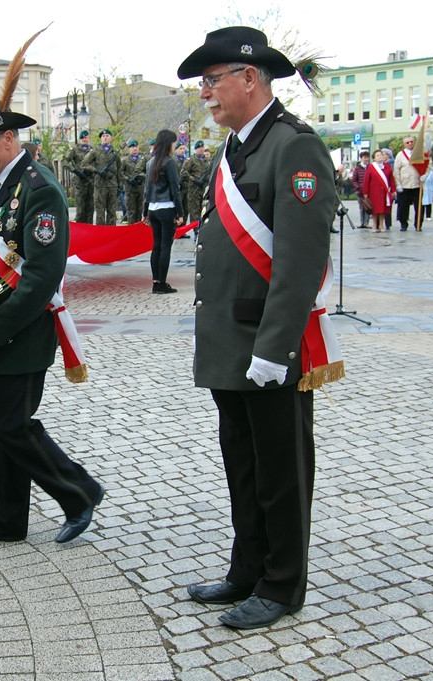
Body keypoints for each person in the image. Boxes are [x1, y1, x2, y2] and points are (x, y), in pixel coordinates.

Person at [178, 26, 342, 630]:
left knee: (281, 472)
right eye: (203, 84)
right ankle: (245, 570)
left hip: (269, 347)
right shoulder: (237, 146)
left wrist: (275, 349)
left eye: (212, 80)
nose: (206, 94)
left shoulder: (292, 146)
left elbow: (299, 263)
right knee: (243, 467)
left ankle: (281, 585)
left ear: (250, 78)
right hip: (229, 343)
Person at [0, 97, 103, 549]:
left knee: (13, 425)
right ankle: (5, 517)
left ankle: (80, 492)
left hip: (23, 326)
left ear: (9, 137)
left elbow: (40, 276)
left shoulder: (40, 189)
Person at [143, 129, 184, 294]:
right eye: (174, 142)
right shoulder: (169, 162)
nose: (174, 145)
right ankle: (162, 283)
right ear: (169, 143)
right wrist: (180, 213)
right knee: (166, 246)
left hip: (153, 208)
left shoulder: (150, 163)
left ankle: (155, 282)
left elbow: (147, 189)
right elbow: (175, 188)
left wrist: (145, 212)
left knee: (156, 246)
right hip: (166, 208)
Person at [84, 129, 122, 225]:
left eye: (107, 135)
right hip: (100, 185)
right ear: (101, 138)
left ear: (111, 138)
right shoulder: (95, 151)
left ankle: (112, 234)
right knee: (100, 213)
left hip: (112, 185)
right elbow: (84, 163)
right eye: (103, 136)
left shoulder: (115, 153)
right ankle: (101, 235)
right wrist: (96, 170)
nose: (105, 137)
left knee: (112, 212)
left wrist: (120, 185)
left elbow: (119, 170)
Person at [64, 130, 93, 224]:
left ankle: (90, 231)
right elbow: (65, 161)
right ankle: (81, 231)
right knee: (80, 209)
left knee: (90, 209)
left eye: (86, 137)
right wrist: (75, 171)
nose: (84, 139)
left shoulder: (93, 150)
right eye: (82, 138)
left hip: (91, 181)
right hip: (80, 182)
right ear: (80, 139)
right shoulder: (75, 149)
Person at [393, 136, 422, 231]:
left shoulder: (419, 153)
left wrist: (425, 175)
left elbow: (426, 165)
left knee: (419, 206)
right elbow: (396, 170)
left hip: (417, 183)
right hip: (404, 184)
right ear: (404, 144)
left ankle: (418, 224)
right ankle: (403, 224)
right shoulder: (400, 155)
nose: (410, 144)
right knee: (403, 206)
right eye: (407, 142)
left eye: (411, 142)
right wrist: (398, 184)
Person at [363, 149, 396, 232]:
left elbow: (391, 179)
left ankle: (382, 225)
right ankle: (374, 225)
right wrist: (365, 192)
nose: (380, 157)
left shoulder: (387, 166)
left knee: (383, 209)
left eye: (381, 155)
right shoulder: (371, 167)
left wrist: (393, 190)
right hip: (374, 192)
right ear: (374, 158)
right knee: (374, 209)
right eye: (378, 155)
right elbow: (366, 180)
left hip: (384, 191)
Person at [181, 140, 211, 224]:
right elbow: (183, 172)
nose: (201, 149)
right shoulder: (191, 160)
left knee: (204, 210)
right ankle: (195, 230)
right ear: (195, 149)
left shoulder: (207, 161)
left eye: (202, 147)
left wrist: (208, 179)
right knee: (194, 211)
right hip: (194, 189)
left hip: (205, 189)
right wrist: (194, 179)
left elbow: (211, 172)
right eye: (199, 148)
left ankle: (203, 229)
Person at [120, 140, 147, 224]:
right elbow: (120, 173)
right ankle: (131, 230)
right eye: (132, 147)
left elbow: (147, 171)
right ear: (129, 149)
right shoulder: (125, 160)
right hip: (130, 189)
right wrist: (128, 179)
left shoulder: (143, 159)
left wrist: (142, 177)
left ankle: (139, 231)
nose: (134, 148)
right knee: (131, 211)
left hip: (140, 188)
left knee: (140, 211)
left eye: (136, 147)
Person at [351, 151, 371, 227]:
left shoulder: (370, 167)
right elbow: (354, 179)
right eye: (364, 157)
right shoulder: (357, 168)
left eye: (367, 157)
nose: (366, 159)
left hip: (369, 191)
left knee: (368, 207)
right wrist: (358, 187)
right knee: (362, 207)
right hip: (360, 191)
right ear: (361, 158)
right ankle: (362, 222)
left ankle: (367, 222)